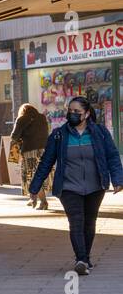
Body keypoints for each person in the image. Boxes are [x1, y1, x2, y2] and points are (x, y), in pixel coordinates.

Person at [29, 96, 123, 275]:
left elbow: (112, 156)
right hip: (68, 187)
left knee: (89, 223)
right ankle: (80, 259)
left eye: (76, 112)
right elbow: (46, 162)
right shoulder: (59, 135)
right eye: (69, 111)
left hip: (95, 186)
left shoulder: (100, 132)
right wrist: (34, 187)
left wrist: (118, 179)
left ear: (86, 114)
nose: (71, 114)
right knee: (76, 221)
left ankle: (85, 258)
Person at [11, 103, 51, 208]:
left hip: (29, 152)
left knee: (31, 177)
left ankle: (43, 201)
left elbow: (14, 136)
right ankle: (33, 199)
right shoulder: (42, 118)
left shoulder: (21, 119)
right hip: (43, 151)